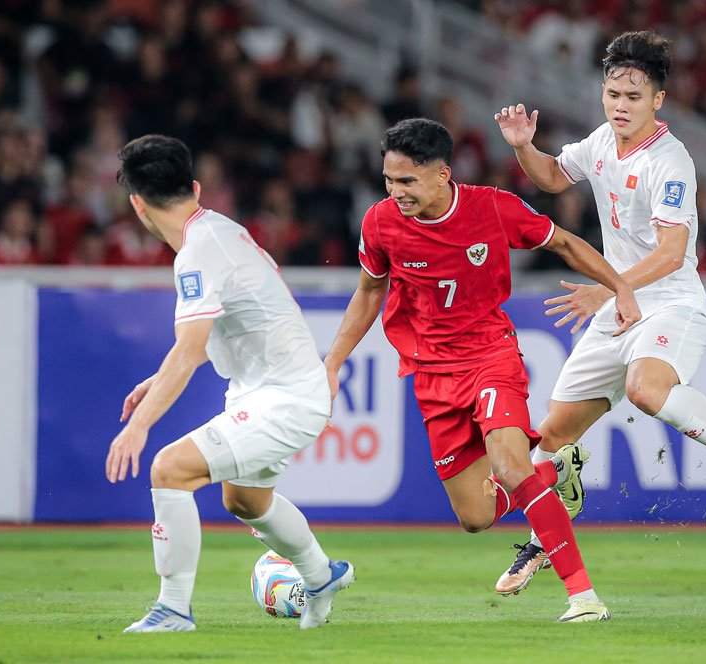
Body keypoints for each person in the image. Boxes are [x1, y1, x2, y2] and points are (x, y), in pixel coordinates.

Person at [323, 118, 641, 623]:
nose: (395, 192)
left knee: (510, 466)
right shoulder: (380, 223)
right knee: (475, 517)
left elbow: (563, 242)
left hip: (491, 356)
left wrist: (620, 286)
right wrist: (334, 361)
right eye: (389, 180)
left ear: (443, 173)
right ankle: (554, 470)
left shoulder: (491, 207)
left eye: (407, 181)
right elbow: (368, 291)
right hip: (431, 373)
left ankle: (583, 597)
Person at [493, 30, 706, 594]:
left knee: (647, 390)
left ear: (658, 101)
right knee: (550, 438)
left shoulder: (671, 163)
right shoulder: (602, 141)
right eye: (613, 94)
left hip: (671, 302)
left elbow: (673, 253)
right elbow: (552, 176)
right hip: (619, 301)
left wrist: (611, 288)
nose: (620, 106)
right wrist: (524, 145)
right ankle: (552, 526)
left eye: (633, 96)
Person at [105, 135, 353, 633]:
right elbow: (231, 323)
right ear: (194, 187)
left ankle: (173, 610)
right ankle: (321, 576)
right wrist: (158, 380)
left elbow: (191, 347)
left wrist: (140, 426)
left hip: (284, 397)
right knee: (246, 502)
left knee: (169, 468)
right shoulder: (221, 232)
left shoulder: (197, 252)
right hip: (273, 389)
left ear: (137, 204)